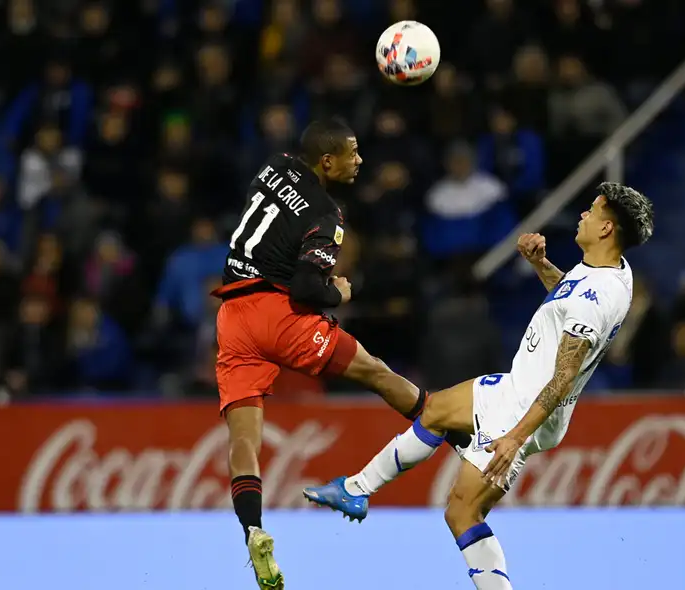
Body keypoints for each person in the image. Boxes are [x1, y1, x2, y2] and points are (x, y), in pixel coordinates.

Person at [303, 183, 654, 590]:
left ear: (608, 228)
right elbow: (568, 301)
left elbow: (564, 378)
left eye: (592, 211)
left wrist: (514, 437)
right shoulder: (611, 270)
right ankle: (356, 490)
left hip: (526, 410)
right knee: (434, 412)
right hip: (515, 387)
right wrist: (541, 266)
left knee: (462, 513)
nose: (583, 215)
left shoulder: (599, 296)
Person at [211, 117, 469, 589]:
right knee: (374, 371)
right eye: (352, 153)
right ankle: (458, 436)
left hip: (232, 315)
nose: (360, 160)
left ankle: (253, 530)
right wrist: (341, 293)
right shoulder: (326, 215)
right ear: (327, 161)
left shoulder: (273, 166)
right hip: (279, 314)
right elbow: (310, 287)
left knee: (244, 440)